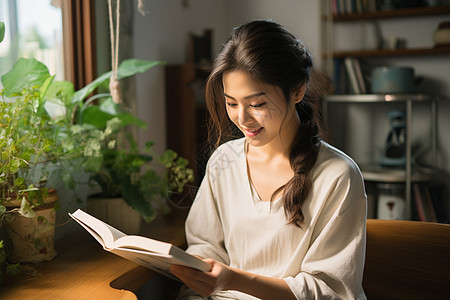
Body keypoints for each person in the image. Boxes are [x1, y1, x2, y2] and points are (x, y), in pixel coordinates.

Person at [170, 20, 367, 300]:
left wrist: (236, 280)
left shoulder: (338, 175)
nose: (242, 119)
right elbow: (205, 247)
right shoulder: (223, 161)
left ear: (297, 90)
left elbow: (330, 290)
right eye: (231, 103)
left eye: (257, 104)